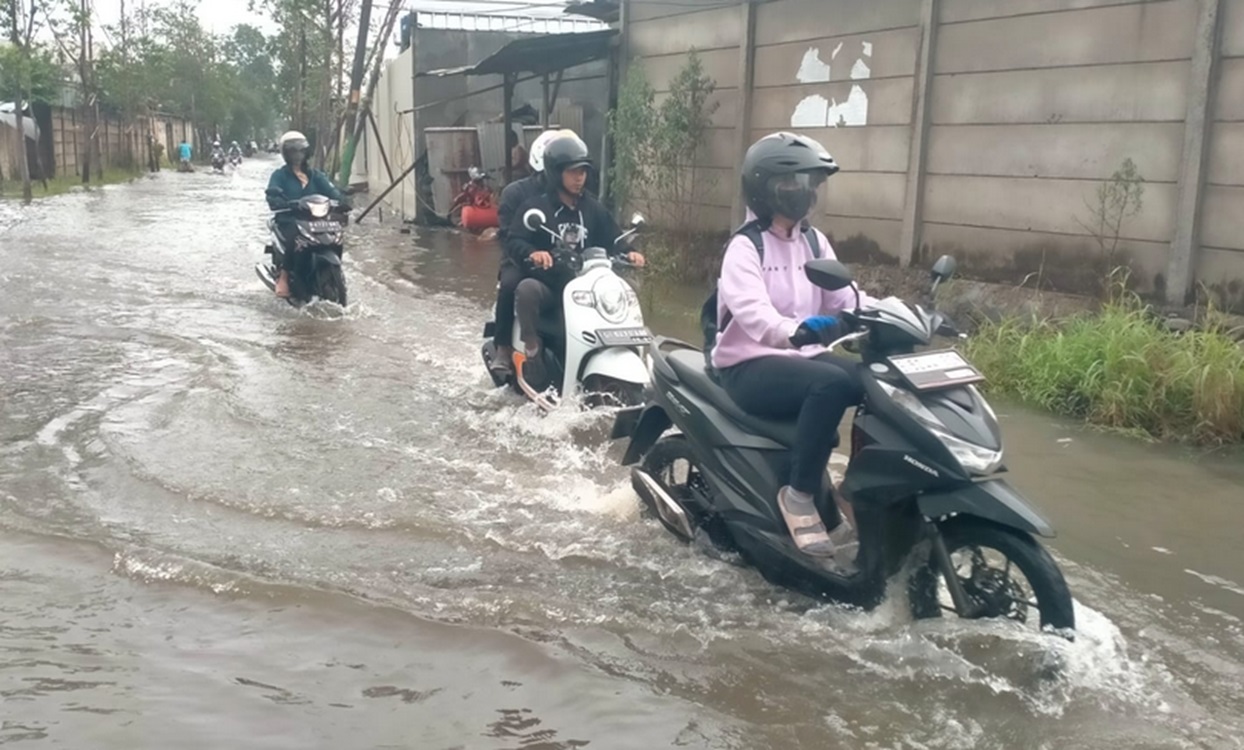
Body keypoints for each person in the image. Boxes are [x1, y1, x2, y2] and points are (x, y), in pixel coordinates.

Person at [712, 132, 875, 558]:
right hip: (748, 364)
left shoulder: (813, 242)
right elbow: (754, 314)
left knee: (874, 381)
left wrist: (899, 313)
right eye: (792, 182)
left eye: (810, 183)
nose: (804, 191)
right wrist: (797, 331)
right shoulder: (745, 247)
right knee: (831, 385)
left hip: (802, 358)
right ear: (764, 187)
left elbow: (847, 298)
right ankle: (799, 495)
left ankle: (854, 488)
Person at [506, 134, 646, 392]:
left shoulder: (593, 208)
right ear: (555, 172)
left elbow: (613, 238)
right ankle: (533, 350)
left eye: (582, 171)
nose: (579, 177)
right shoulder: (536, 208)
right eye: (572, 172)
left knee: (627, 291)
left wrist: (629, 252)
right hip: (552, 285)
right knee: (527, 290)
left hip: (587, 289)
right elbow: (514, 240)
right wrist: (535, 253)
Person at [489, 128, 580, 379]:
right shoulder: (516, 193)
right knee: (510, 284)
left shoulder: (573, 197)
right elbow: (508, 235)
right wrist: (531, 252)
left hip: (562, 260)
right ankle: (503, 347)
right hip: (521, 259)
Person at [265, 130, 348, 298]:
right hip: (289, 218)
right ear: (286, 154)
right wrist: (278, 200)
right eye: (293, 151)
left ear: (306, 152)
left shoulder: (316, 175)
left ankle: (336, 274)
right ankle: (284, 277)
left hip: (316, 219)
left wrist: (343, 201)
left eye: (301, 151)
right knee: (295, 236)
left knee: (334, 234)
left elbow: (331, 191)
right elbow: (272, 193)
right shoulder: (280, 175)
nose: (297, 155)